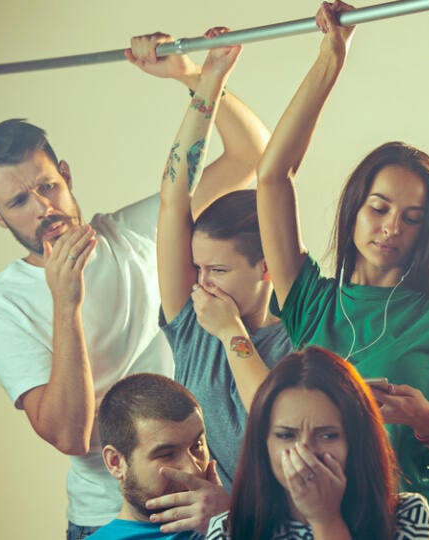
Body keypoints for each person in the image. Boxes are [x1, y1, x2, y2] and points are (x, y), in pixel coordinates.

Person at [0, 31, 266, 539]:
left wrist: (192, 77)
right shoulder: (2, 306)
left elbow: (252, 157)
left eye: (47, 186)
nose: (44, 208)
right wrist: (65, 303)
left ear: (66, 176)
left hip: (205, 499)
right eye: (19, 202)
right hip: (106, 518)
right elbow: (71, 435)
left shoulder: (131, 232)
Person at [255, 2, 429, 539]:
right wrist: (332, 56)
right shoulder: (310, 300)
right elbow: (273, 176)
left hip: (421, 524)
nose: (391, 228)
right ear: (354, 209)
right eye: (380, 208)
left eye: (412, 218)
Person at [153, 26, 290, 498]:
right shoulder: (191, 320)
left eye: (219, 271)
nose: (202, 284)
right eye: (198, 269)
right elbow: (175, 198)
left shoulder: (302, 340)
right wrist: (205, 81)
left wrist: (232, 332)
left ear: (266, 267)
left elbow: (281, 431)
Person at [206, 347, 429, 539]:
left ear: (356, 442)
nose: (306, 451)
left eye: (327, 436)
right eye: (286, 435)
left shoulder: (405, 515)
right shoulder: (228, 531)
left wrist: (326, 521)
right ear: (263, 444)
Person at [88, 373, 218, 540]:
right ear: (116, 463)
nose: (192, 469)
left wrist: (229, 523)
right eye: (167, 455)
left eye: (197, 446)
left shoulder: (238, 520)